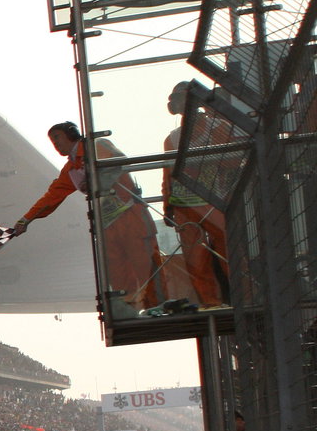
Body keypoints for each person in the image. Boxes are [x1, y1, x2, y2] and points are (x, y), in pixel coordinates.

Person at [13, 121, 163, 311]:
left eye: (57, 138)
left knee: (146, 264)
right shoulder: (70, 169)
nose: (55, 144)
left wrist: (95, 183)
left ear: (71, 133)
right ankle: (130, 309)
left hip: (130, 216)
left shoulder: (96, 146)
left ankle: (158, 305)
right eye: (52, 141)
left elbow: (118, 162)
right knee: (117, 272)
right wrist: (26, 219)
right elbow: (52, 197)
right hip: (107, 225)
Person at [162, 82, 231, 309]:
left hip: (213, 200)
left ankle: (237, 297)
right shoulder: (173, 138)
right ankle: (210, 303)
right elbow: (168, 176)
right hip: (187, 205)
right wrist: (168, 207)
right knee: (196, 259)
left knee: (227, 253)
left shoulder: (217, 127)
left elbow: (231, 161)